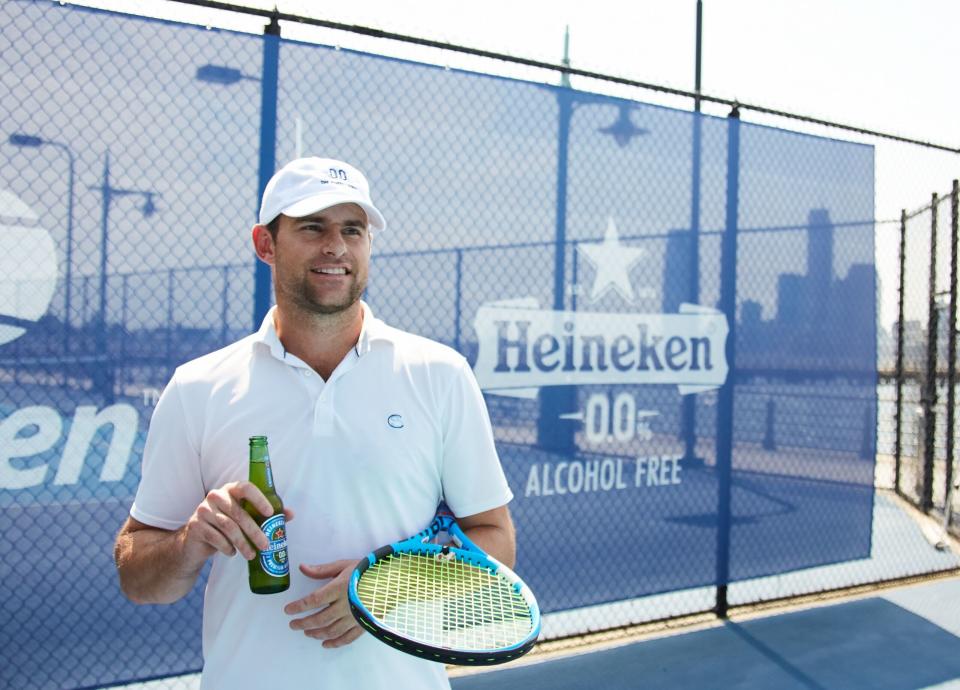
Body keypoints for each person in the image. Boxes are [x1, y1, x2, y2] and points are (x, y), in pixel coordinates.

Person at [113, 157, 515, 689]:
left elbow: (495, 537)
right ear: (265, 244)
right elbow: (139, 578)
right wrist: (192, 539)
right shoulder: (198, 387)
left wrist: (384, 591)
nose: (337, 247)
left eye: (353, 229)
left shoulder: (440, 373)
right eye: (312, 227)